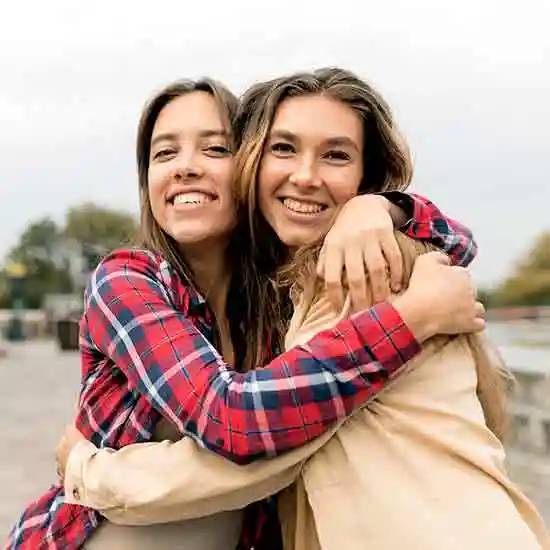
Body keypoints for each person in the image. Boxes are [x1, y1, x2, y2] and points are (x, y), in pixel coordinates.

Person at [8, 74, 480, 550]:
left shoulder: (280, 298)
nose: (185, 168)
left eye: (214, 149)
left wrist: (379, 208)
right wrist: (411, 321)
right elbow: (230, 419)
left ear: (252, 165)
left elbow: (458, 241)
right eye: (164, 153)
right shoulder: (127, 281)